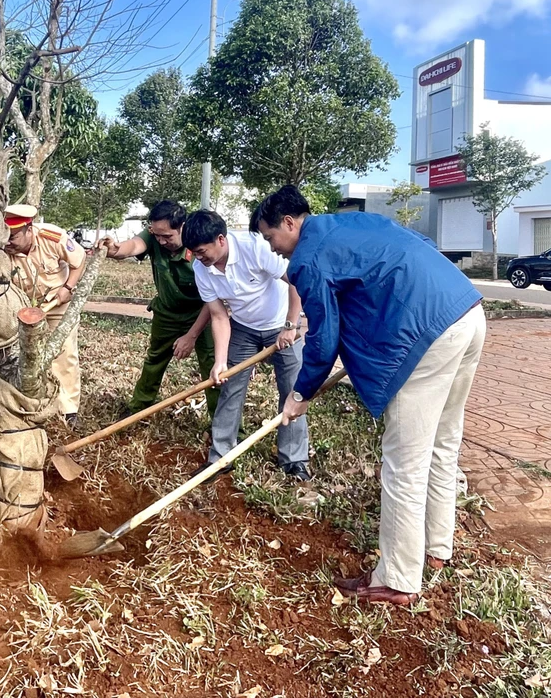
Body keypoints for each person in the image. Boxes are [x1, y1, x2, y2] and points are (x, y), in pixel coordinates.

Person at [256, 185, 485, 605]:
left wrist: (299, 394)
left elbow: (323, 341)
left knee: (404, 463)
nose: (276, 252)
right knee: (442, 445)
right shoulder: (355, 222)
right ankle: (436, 551)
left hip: (426, 333)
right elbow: (422, 246)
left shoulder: (308, 256)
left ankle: (397, 580)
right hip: (467, 311)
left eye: (272, 239)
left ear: (289, 223)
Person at [181, 209, 310, 481]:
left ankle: (294, 460)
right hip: (243, 328)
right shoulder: (201, 268)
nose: (199, 258)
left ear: (221, 239)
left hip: (279, 324)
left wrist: (291, 325)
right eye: (194, 253)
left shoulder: (256, 247)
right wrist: (220, 361)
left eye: (202, 251)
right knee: (229, 387)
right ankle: (220, 458)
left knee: (292, 391)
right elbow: (218, 315)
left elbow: (295, 282)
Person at [0, 204, 86, 428]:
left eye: (14, 237)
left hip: (57, 305)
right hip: (20, 308)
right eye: (5, 237)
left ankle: (66, 411)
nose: (8, 242)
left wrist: (68, 287)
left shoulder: (52, 236)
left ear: (29, 229)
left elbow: (79, 260)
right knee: (1, 350)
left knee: (64, 354)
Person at [98, 200, 217, 418]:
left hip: (203, 314)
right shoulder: (155, 236)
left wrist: (191, 336)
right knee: (154, 360)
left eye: (168, 237)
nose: (161, 241)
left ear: (182, 227)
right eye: (157, 235)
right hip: (167, 313)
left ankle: (222, 424)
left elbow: (216, 300)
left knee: (213, 366)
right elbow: (134, 246)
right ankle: (138, 410)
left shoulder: (200, 244)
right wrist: (115, 249)